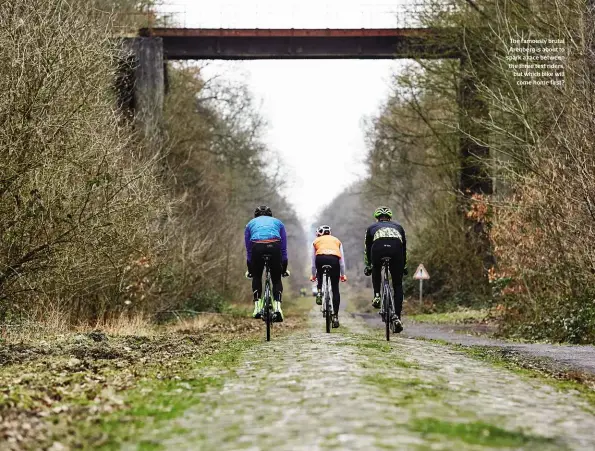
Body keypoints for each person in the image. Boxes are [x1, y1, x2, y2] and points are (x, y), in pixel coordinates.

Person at [363, 206, 407, 333]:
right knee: (398, 284)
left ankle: (377, 295)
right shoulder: (399, 227)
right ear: (390, 218)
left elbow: (367, 248)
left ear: (377, 219)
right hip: (396, 251)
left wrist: (369, 265)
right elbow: (404, 248)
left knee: (376, 268)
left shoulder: (371, 228)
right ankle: (397, 317)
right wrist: (403, 266)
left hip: (378, 250)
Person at [245, 205, 290, 322]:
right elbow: (284, 249)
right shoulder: (278, 223)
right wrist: (284, 268)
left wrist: (250, 269)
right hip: (274, 246)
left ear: (256, 215)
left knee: (257, 276)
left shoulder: (250, 224)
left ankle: (257, 308)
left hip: (257, 247)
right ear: (270, 215)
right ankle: (278, 308)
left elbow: (249, 250)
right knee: (276, 279)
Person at [310, 225, 347, 328]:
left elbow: (313, 263)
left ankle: (319, 291)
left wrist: (313, 276)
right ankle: (335, 316)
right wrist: (343, 275)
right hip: (334, 260)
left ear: (319, 233)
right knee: (335, 288)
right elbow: (342, 261)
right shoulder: (337, 241)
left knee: (319, 273)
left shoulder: (316, 241)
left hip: (320, 259)